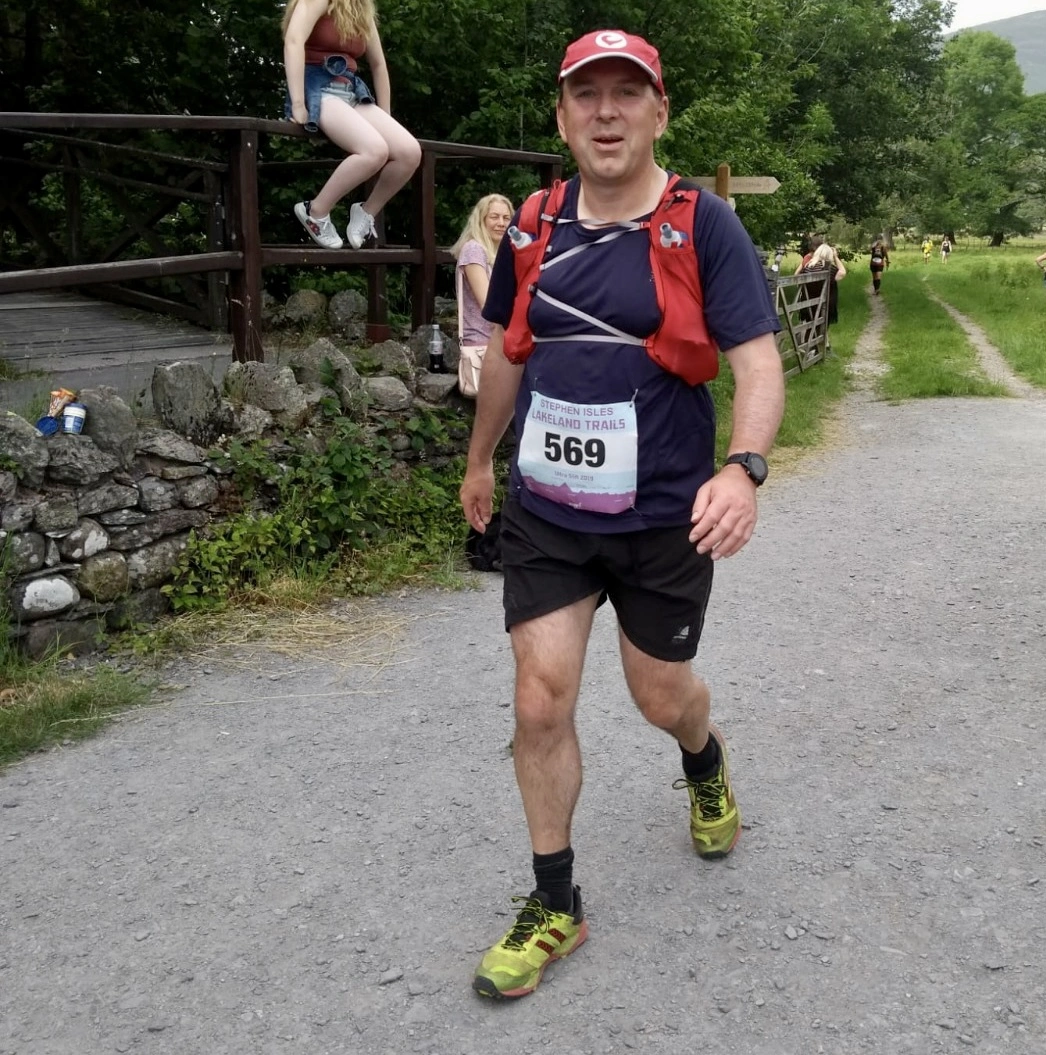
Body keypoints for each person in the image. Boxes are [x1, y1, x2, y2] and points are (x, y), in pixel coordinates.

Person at [459, 29, 785, 1000]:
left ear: (658, 112)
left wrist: (744, 466)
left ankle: (703, 755)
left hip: (660, 520)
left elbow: (756, 360)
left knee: (659, 693)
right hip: (549, 513)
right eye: (585, 95)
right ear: (560, 118)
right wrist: (479, 458)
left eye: (625, 93)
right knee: (537, 696)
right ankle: (553, 898)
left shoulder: (703, 226)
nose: (605, 111)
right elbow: (509, 348)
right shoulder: (532, 227)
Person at [283, 0, 421, 250]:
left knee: (409, 152)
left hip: (350, 89)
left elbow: (379, 65)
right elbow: (293, 41)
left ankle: (366, 212)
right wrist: (298, 104)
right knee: (374, 150)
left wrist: (386, 116)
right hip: (316, 87)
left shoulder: (362, 7)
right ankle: (315, 211)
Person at [451, 194, 514, 396]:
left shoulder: (499, 252)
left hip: (499, 343)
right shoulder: (474, 249)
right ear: (481, 220)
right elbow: (490, 306)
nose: (501, 223)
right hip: (484, 344)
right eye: (494, 217)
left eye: (506, 218)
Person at [798, 242, 846, 350]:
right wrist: (836, 257)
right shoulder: (830, 269)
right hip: (825, 304)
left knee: (810, 327)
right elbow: (842, 272)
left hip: (808, 304)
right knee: (821, 328)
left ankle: (811, 351)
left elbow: (798, 278)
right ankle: (816, 351)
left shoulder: (808, 266)